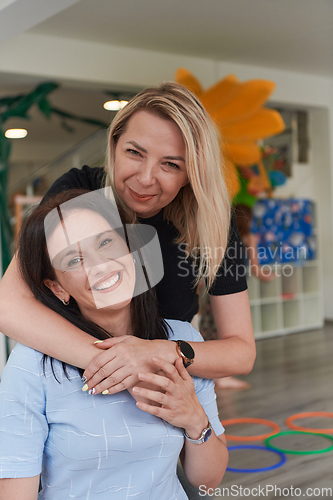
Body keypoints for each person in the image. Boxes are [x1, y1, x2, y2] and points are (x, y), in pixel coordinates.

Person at [0, 81, 255, 397]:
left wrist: (156, 354)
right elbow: (8, 305)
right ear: (115, 145)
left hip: (162, 396)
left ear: (191, 172)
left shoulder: (212, 220)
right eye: (135, 152)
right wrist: (119, 364)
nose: (146, 177)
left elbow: (242, 352)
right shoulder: (79, 191)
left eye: (171, 164)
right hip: (72, 387)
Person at [0, 189, 228, 499]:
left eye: (106, 242)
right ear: (57, 288)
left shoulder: (183, 340)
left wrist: (194, 418)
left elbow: (206, 482)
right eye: (73, 259)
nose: (100, 265)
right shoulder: (33, 366)